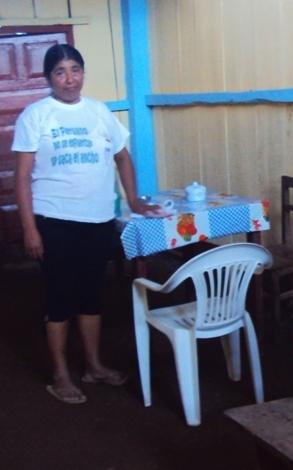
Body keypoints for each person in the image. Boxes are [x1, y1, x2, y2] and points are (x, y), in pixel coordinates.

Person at [13, 44, 157, 404]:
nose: (69, 79)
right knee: (60, 298)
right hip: (54, 222)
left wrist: (134, 199)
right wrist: (29, 228)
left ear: (83, 73)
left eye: (75, 70)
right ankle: (60, 375)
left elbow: (122, 158)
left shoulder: (99, 112)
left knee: (92, 296)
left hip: (97, 221)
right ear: (49, 78)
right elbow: (23, 176)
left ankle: (93, 366)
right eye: (60, 72)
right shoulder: (36, 115)